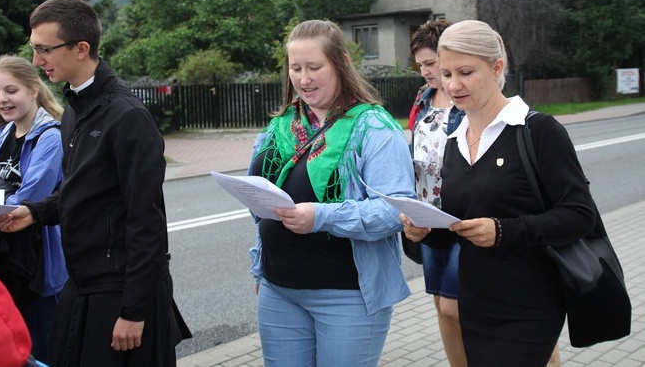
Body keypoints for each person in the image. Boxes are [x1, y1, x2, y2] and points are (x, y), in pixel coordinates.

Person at [0, 0, 190, 366]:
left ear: (82, 48)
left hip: (121, 292)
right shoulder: (73, 112)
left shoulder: (128, 118)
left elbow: (146, 221)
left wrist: (134, 310)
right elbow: (80, 190)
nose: (36, 61)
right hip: (81, 284)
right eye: (34, 49)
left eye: (45, 49)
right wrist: (34, 212)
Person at [403, 20, 595, 366]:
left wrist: (503, 231)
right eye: (446, 74)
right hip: (475, 300)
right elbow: (456, 229)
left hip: (530, 302)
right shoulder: (454, 140)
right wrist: (423, 232)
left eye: (465, 72)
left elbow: (580, 215)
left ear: (497, 67)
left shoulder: (539, 130)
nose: (453, 85)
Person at [248, 19, 415, 366]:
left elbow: (394, 211)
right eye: (295, 68)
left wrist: (320, 216)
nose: (303, 79)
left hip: (347, 296)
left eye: (314, 67)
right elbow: (261, 204)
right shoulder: (278, 126)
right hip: (279, 290)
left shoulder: (374, 127)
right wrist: (261, 268)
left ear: (341, 63)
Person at [0, 55, 67, 363]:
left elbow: (30, 200)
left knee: (41, 349)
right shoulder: (5, 136)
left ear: (32, 91)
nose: (2, 99)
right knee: (15, 351)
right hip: (9, 260)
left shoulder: (50, 138)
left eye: (11, 90)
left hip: (39, 266)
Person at [405, 19, 467, 367]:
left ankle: (540, 353)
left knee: (455, 305)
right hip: (429, 217)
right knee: (440, 306)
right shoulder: (423, 98)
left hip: (463, 216)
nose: (425, 71)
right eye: (421, 65)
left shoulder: (469, 97)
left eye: (430, 63)